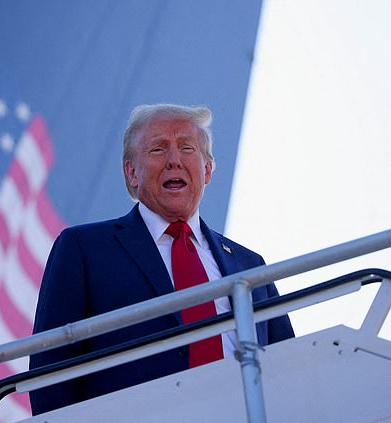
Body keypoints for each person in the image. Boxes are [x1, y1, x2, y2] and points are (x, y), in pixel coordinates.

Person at [29, 104, 294, 415]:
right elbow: (50, 370)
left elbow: (288, 368)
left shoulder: (249, 265)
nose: (174, 160)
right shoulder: (84, 248)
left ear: (207, 170)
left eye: (186, 147)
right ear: (132, 172)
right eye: (158, 149)